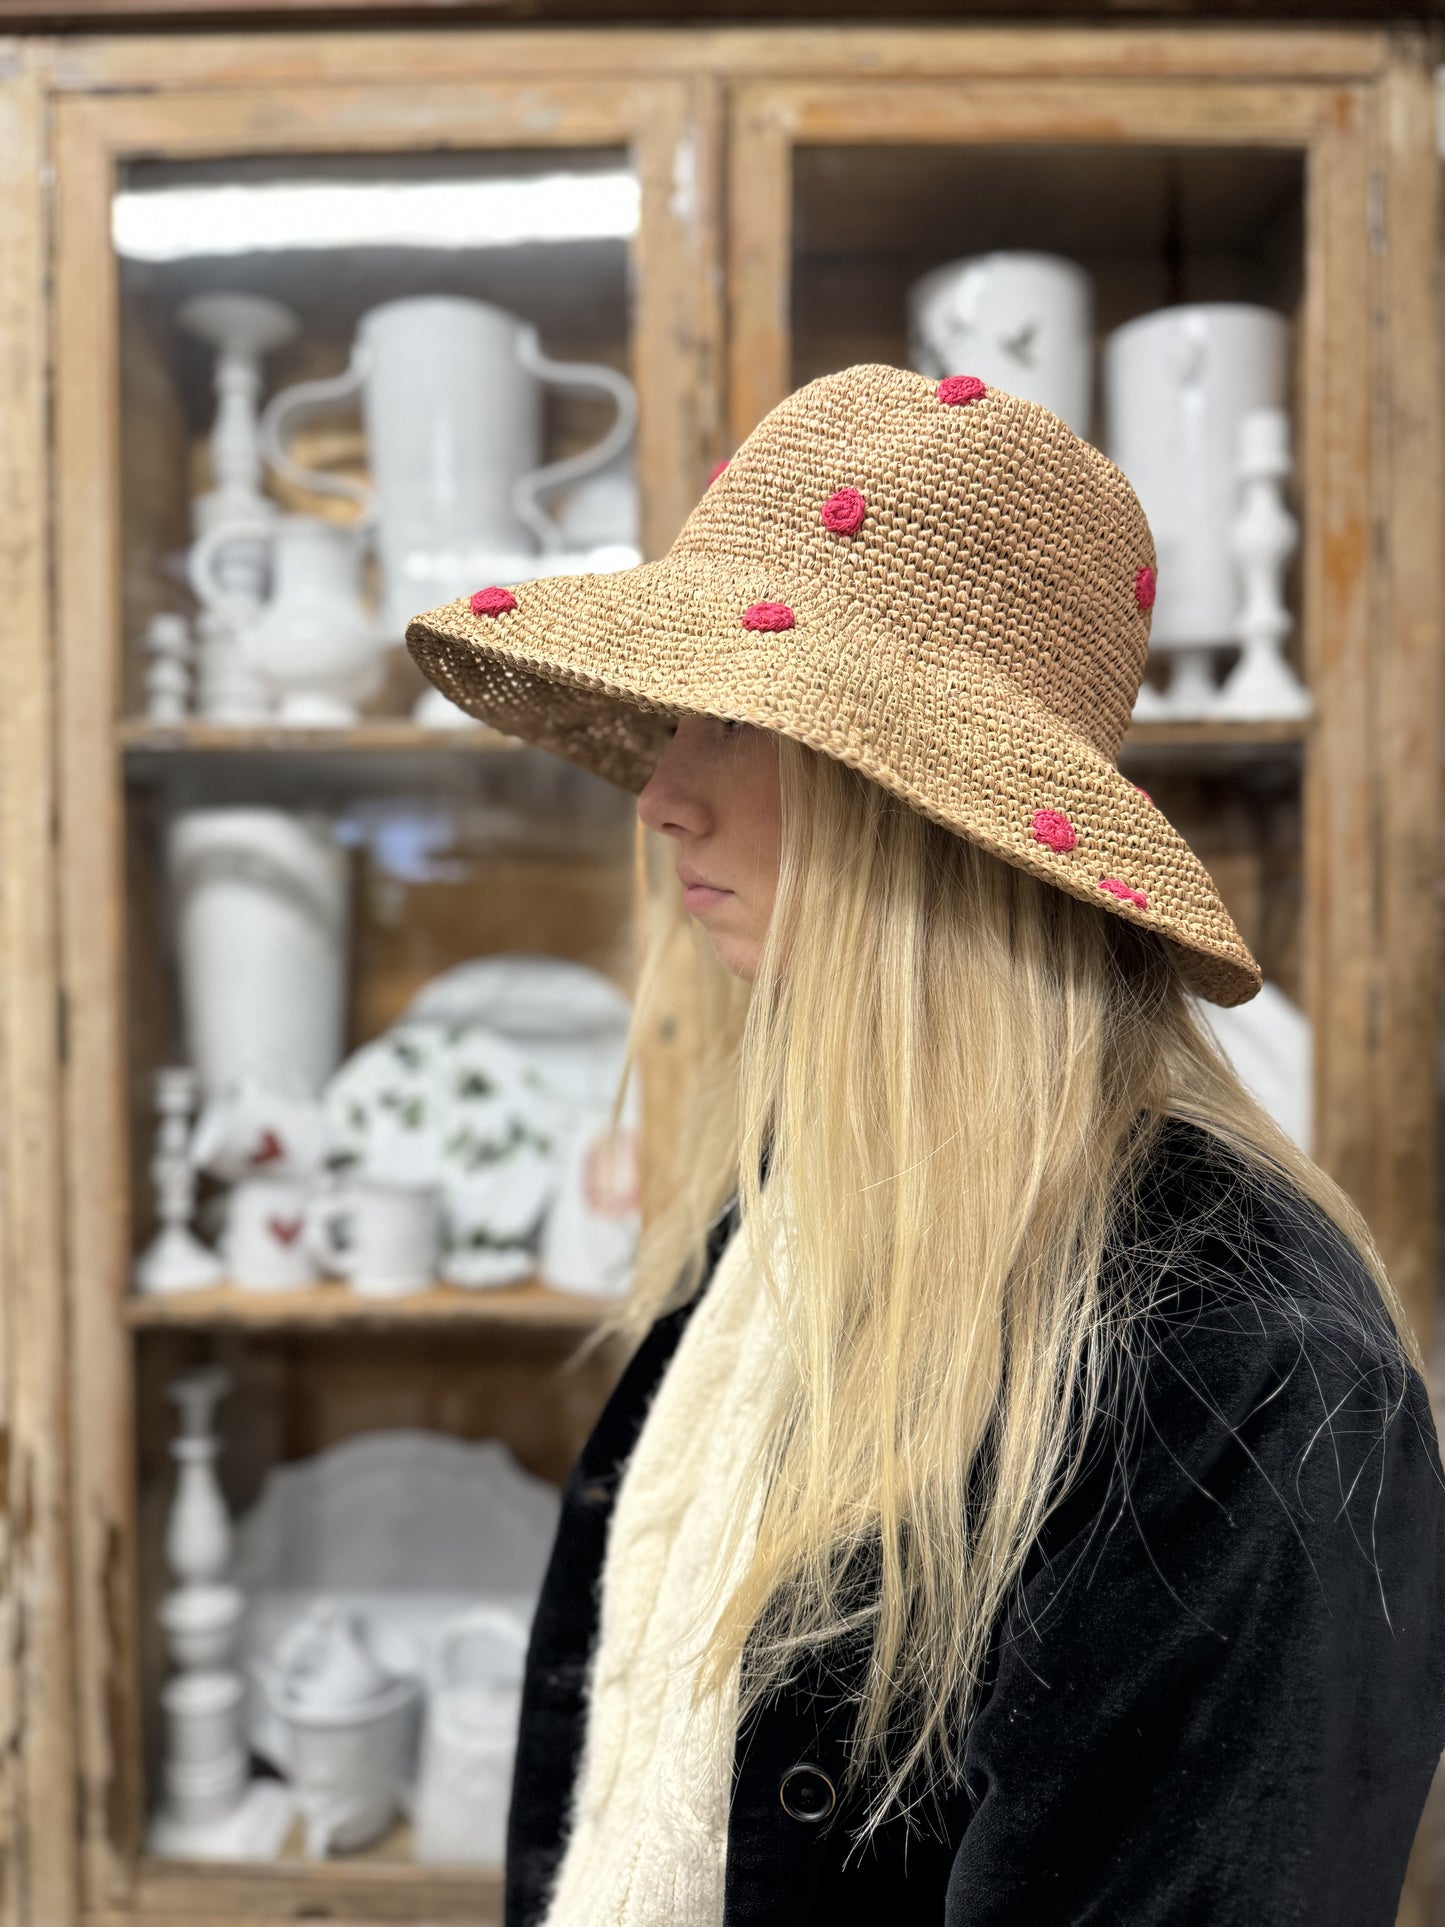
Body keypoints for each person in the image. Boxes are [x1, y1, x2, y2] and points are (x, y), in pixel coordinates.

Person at [407, 364, 1445, 1926]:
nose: (664, 797)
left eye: (732, 721)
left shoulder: (1240, 1380)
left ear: (916, 807)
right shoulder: (797, 1207)